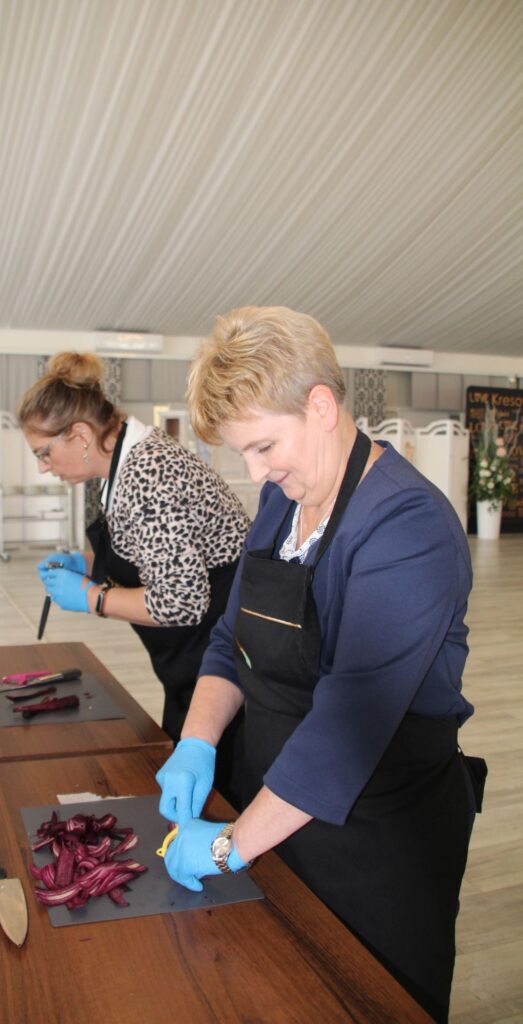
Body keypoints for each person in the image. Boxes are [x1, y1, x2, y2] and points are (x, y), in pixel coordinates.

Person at [155, 306, 480, 1024]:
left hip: (376, 839)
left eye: (264, 446)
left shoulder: (407, 527)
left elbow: (344, 734)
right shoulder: (283, 501)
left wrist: (230, 847)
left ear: (322, 406)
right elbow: (229, 640)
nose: (256, 472)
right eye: (243, 453)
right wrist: (196, 741)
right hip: (276, 810)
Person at [17, 351, 250, 803]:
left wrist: (94, 598)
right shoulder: (121, 463)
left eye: (44, 453)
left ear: (80, 435)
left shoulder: (149, 472)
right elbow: (153, 553)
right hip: (189, 658)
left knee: (216, 793)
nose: (43, 466)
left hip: (219, 655)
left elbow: (181, 602)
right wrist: (87, 563)